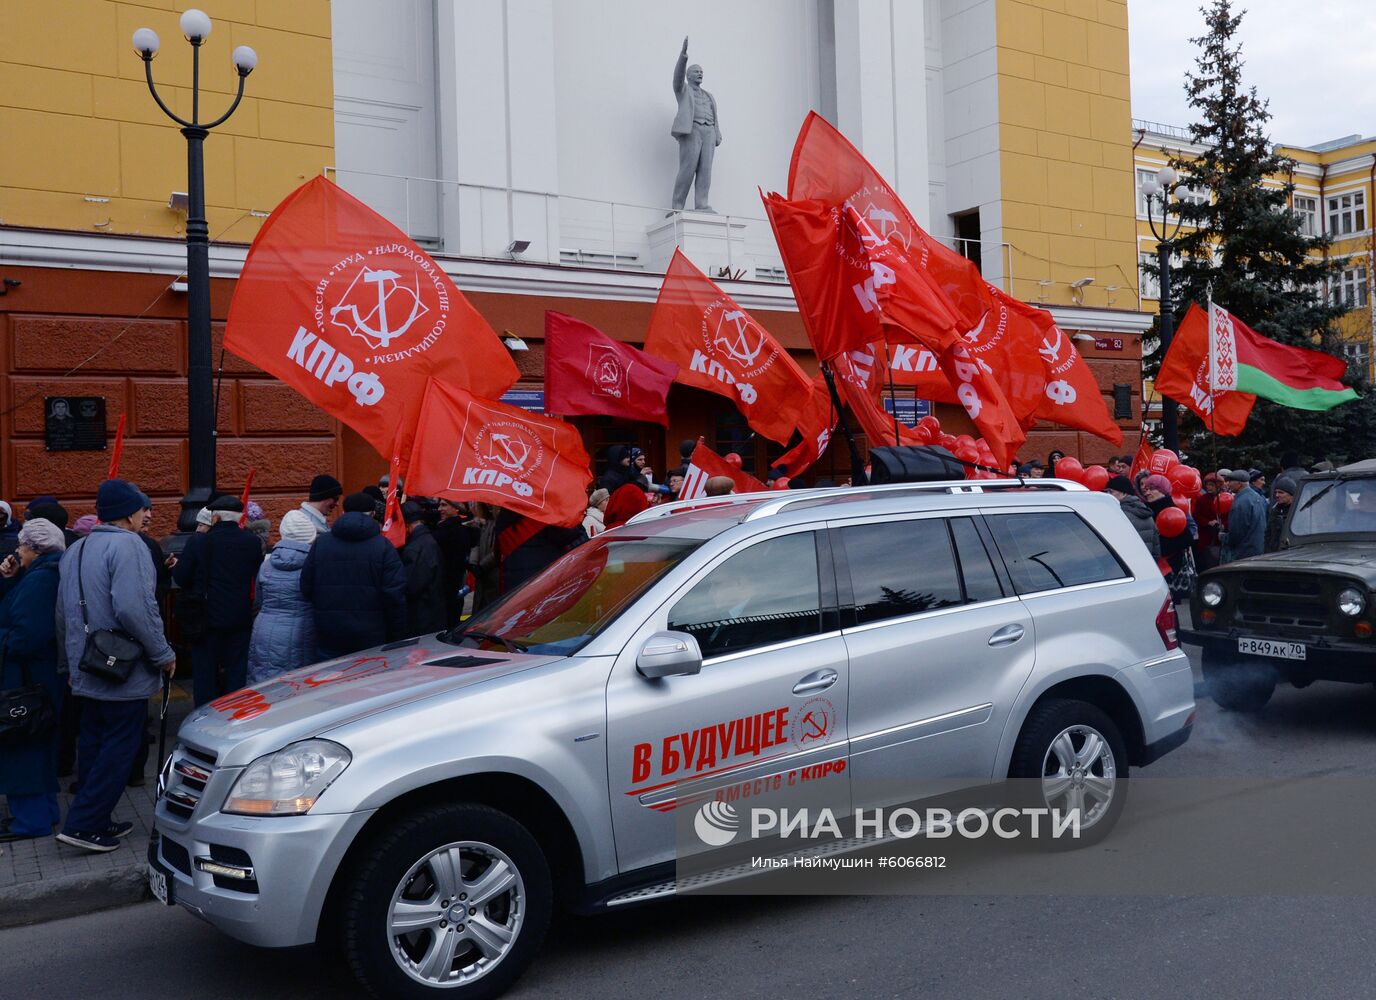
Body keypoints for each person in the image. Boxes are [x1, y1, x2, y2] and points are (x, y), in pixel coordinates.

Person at [56, 479, 175, 853]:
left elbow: (62, 613)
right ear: (127, 513)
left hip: (86, 663)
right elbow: (135, 607)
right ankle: (85, 823)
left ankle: (94, 817)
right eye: (143, 508)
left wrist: (70, 664)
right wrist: (162, 653)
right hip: (121, 666)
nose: (147, 515)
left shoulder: (76, 548)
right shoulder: (129, 545)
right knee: (120, 746)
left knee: (93, 740)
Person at [0, 519, 65, 842]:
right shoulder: (40, 576)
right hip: (37, 678)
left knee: (22, 746)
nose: (17, 551)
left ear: (36, 549)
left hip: (26, 681)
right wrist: (10, 578)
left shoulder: (40, 580)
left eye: (22, 546)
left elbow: (27, 635)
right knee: (35, 745)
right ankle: (43, 812)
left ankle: (31, 820)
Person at [172, 496, 264, 707]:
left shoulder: (200, 541)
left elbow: (181, 577)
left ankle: (205, 717)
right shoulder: (251, 542)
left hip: (206, 618)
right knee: (237, 671)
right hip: (239, 616)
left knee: (205, 673)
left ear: (216, 517)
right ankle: (234, 714)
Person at [299, 492, 407, 658]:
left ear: (343, 513)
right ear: (372, 515)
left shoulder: (321, 543)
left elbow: (306, 587)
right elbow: (394, 595)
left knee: (329, 680)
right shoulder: (383, 547)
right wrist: (397, 634)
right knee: (368, 680)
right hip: (371, 634)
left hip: (329, 631)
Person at [247, 509, 318, 684]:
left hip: (264, 628)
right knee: (297, 684)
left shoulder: (267, 564)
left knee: (263, 681)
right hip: (302, 628)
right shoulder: (314, 564)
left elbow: (258, 600)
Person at [670, 36, 722, 212]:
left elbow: (714, 115)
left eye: (702, 72)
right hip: (692, 130)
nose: (700, 73)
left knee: (705, 169)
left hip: (709, 132)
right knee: (688, 168)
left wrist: (716, 132)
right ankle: (677, 206)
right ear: (688, 75)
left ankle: (701, 204)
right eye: (696, 71)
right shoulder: (683, 90)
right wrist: (683, 56)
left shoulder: (709, 95)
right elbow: (676, 79)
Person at [495, 509, 587, 594]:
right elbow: (569, 535)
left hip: (515, 586)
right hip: (545, 580)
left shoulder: (503, 517)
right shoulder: (546, 513)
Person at [1141, 475, 1196, 596]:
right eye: (1146, 489)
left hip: (1169, 566)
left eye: (1152, 489)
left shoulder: (1171, 509)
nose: (1147, 492)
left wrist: (1161, 548)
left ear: (1162, 490)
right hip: (1154, 564)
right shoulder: (1148, 508)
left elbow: (1187, 538)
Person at [401, 501, 447, 636]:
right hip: (431, 613)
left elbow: (412, 586)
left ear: (406, 524)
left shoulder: (415, 547)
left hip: (422, 616)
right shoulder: (427, 540)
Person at [432, 498, 476, 624]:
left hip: (448, 590)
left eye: (444, 505)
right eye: (439, 505)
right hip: (452, 590)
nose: (440, 509)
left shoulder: (452, 532)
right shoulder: (447, 528)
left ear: (456, 508)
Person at [1106, 475, 1160, 558]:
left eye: (1111, 492)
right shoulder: (1145, 511)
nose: (1108, 495)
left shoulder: (1120, 515)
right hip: (1146, 566)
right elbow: (1156, 550)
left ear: (1124, 493)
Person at [1220, 469, 1266, 563]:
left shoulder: (1240, 503)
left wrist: (1223, 537)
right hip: (1258, 548)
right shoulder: (1257, 497)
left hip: (1244, 552)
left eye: (1230, 482)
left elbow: (1237, 533)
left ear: (1239, 484)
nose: (1228, 484)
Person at [469, 503, 501, 612]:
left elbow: (500, 549)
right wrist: (473, 563)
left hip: (495, 578)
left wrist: (482, 566)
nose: (488, 504)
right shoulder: (487, 522)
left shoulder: (500, 522)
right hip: (483, 578)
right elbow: (478, 543)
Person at [1193, 472, 1225, 572]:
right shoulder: (1202, 499)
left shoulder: (1224, 497)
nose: (1208, 487)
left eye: (1211, 485)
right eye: (1207, 485)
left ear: (1218, 486)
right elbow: (1196, 516)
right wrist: (1207, 522)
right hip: (1206, 536)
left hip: (1222, 535)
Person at [1266, 475, 1297, 552]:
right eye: (1276, 492)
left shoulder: (1298, 512)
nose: (1277, 495)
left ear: (1291, 494)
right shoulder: (1275, 511)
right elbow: (1268, 535)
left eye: (1281, 493)